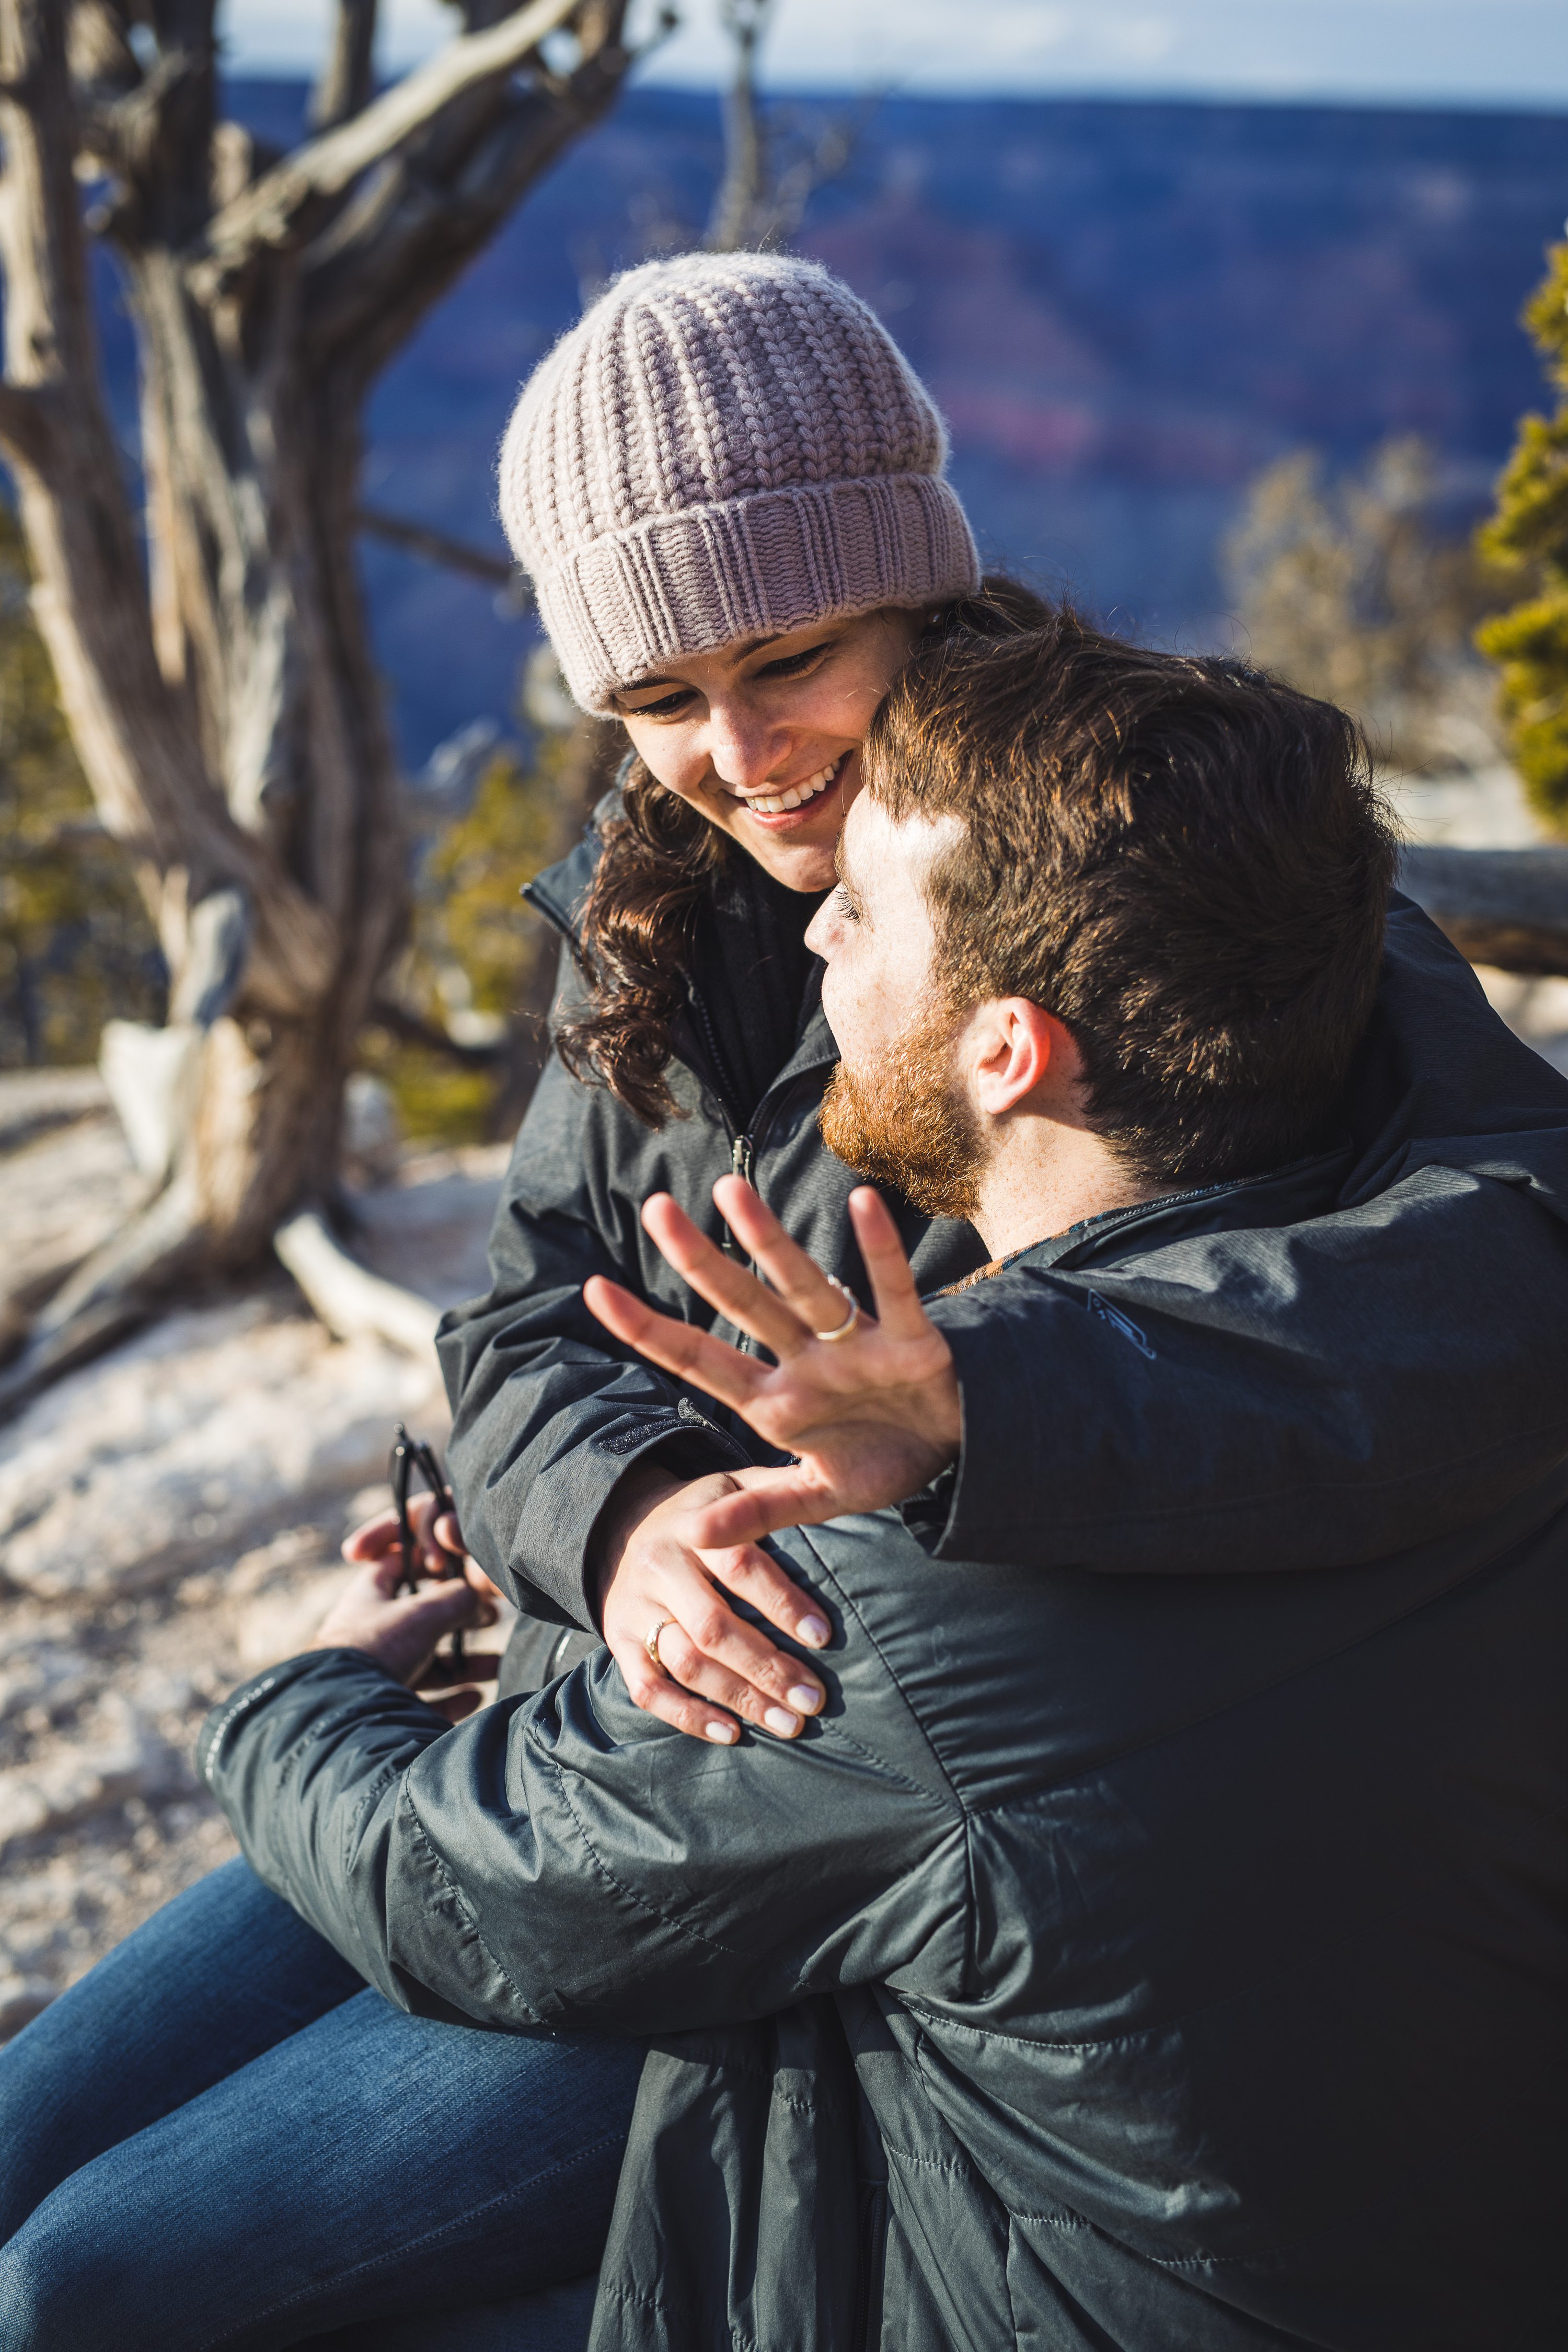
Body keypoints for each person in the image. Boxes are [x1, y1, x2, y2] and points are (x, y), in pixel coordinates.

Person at [14, 614, 1559, 2351]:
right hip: (729, 1768)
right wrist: (624, 1519)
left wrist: (294, 1685)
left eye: (785, 657)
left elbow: (484, 1881)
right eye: (658, 698)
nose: (739, 757)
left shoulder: (1178, 841)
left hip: (800, 1833)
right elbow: (531, 1311)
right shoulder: (674, 882)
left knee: (85, 2285)